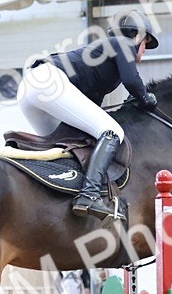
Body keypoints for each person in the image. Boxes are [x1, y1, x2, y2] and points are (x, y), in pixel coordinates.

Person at [19, 11, 160, 220]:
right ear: (138, 36)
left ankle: (55, 194)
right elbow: (132, 81)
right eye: (145, 45)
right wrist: (146, 98)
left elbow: (91, 108)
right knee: (113, 132)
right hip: (49, 82)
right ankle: (89, 194)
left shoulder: (103, 60)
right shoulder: (123, 43)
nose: (144, 51)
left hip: (30, 90)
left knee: (62, 145)